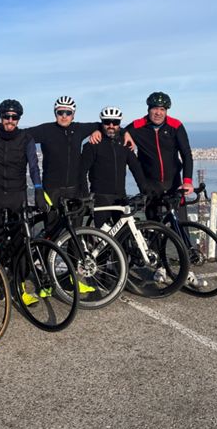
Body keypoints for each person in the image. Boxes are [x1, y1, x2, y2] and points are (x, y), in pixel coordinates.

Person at [125, 91, 205, 287]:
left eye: (162, 109)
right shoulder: (137, 126)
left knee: (181, 227)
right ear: (148, 109)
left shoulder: (176, 125)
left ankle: (187, 271)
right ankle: (161, 267)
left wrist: (187, 181)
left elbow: (186, 154)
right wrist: (102, 132)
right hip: (151, 186)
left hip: (174, 184)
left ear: (166, 110)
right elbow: (117, 132)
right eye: (155, 109)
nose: (158, 113)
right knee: (155, 227)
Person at [0, 96, 100, 206]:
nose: (64, 116)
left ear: (73, 115)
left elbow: (105, 125)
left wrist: (97, 131)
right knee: (52, 227)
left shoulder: (79, 129)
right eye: (60, 112)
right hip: (51, 190)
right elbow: (18, 133)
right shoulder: (46, 130)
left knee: (75, 227)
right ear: (55, 114)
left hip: (74, 189)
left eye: (68, 113)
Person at [79, 106, 150, 228]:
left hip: (121, 196)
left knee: (124, 235)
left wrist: (145, 190)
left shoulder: (124, 143)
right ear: (102, 123)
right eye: (107, 122)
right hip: (101, 198)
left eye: (115, 122)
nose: (111, 125)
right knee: (103, 238)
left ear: (119, 124)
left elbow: (135, 167)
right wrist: (86, 196)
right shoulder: (92, 145)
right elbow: (81, 172)